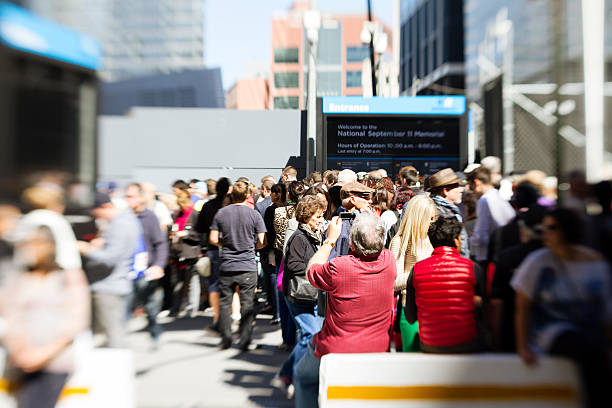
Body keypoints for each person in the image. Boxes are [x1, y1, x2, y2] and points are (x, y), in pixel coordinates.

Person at [512, 208, 612, 408]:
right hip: (550, 333)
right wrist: (523, 347)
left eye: (552, 228)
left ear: (567, 230)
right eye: (543, 228)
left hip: (589, 330)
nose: (545, 233)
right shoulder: (538, 262)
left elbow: (606, 309)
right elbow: (522, 307)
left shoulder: (595, 262)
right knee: (589, 352)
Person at [293, 213, 396, 407]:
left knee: (303, 377)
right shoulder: (389, 261)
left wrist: (330, 240)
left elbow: (311, 271)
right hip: (377, 347)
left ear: (352, 245)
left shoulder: (338, 267)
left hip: (336, 348)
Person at [1, 226, 89, 408]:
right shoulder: (17, 277)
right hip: (20, 359)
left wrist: (43, 354)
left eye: (36, 243)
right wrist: (21, 350)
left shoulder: (68, 277)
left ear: (50, 246)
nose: (30, 249)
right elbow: (10, 315)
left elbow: (77, 319)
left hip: (57, 361)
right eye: (26, 244)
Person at [404, 216, 485, 353]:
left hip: (430, 345)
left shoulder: (417, 270)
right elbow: (486, 309)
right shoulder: (471, 268)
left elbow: (410, 317)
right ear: (456, 241)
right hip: (467, 344)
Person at [209, 181, 266, 351]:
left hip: (227, 263)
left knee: (225, 304)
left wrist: (224, 243)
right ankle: (244, 340)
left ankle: (225, 339)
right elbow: (262, 240)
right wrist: (252, 246)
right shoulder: (254, 214)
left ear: (231, 195)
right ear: (248, 195)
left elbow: (212, 238)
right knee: (247, 304)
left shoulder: (221, 213)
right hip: (247, 264)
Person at [280, 196, 326, 386]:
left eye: (322, 215)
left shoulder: (313, 235)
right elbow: (293, 265)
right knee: (310, 333)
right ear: (307, 217)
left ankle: (288, 372)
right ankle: (293, 374)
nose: (321, 219)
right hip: (298, 295)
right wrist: (316, 266)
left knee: (312, 334)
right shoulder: (299, 237)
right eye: (317, 216)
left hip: (309, 295)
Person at [489, 204, 545, 352]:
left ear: (524, 230)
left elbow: (497, 302)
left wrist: (496, 338)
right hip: (549, 334)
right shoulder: (558, 257)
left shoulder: (507, 257)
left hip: (512, 333)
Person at [388, 194, 436, 351]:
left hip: (432, 308)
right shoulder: (400, 241)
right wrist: (421, 273)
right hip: (410, 309)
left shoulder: (432, 238)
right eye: (429, 218)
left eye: (433, 218)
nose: (431, 223)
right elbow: (393, 282)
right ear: (418, 218)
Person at [124, 183, 168, 349]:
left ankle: (155, 333)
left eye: (131, 196)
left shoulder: (149, 217)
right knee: (124, 308)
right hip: (125, 272)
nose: (128, 200)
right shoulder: (124, 217)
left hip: (146, 271)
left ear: (141, 197)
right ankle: (119, 342)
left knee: (150, 307)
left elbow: (160, 242)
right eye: (126, 196)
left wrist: (158, 265)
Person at [194, 177, 231, 331]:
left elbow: (200, 228)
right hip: (231, 249)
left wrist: (203, 248)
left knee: (214, 286)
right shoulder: (232, 206)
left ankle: (217, 319)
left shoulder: (209, 206)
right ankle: (231, 317)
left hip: (213, 249)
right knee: (229, 286)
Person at [468, 167, 515, 264]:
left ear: (477, 183)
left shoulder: (484, 201)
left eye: (471, 188)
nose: (472, 192)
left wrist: (471, 239)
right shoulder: (499, 197)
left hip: (489, 255)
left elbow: (481, 234)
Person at [427, 168, 470, 258]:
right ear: (445, 191)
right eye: (457, 186)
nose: (461, 189)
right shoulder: (437, 212)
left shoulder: (447, 210)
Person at [328, 181, 374, 259]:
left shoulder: (358, 219)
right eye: (366, 197)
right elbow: (339, 255)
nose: (370, 201)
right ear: (353, 200)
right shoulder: (341, 223)